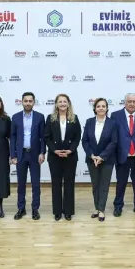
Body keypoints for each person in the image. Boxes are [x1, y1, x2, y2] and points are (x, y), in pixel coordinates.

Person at [10, 91, 46, 220]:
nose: (28, 103)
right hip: (21, 154)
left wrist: (42, 152)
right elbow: (13, 137)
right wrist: (13, 155)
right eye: (25, 101)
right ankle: (21, 208)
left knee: (36, 183)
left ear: (34, 102)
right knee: (21, 183)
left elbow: (43, 137)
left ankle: (35, 209)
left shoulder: (40, 117)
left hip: (35, 154)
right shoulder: (15, 117)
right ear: (22, 102)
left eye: (30, 101)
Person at [46, 93, 81, 221]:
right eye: (60, 101)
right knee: (56, 184)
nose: (62, 104)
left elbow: (77, 137)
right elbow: (47, 137)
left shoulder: (74, 118)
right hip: (54, 156)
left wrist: (70, 150)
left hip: (70, 156)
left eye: (64, 101)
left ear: (68, 103)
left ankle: (68, 211)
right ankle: (57, 211)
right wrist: (54, 150)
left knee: (69, 184)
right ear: (56, 104)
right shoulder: (50, 118)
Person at [82, 97, 117, 222]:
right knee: (95, 185)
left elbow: (114, 142)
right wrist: (92, 155)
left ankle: (101, 210)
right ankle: (96, 208)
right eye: (98, 106)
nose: (101, 108)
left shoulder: (112, 123)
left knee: (104, 185)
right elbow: (85, 140)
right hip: (92, 159)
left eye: (103, 106)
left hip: (107, 159)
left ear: (107, 108)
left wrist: (102, 157)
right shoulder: (89, 122)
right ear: (95, 109)